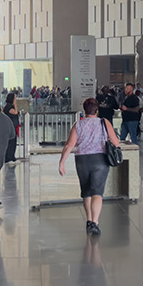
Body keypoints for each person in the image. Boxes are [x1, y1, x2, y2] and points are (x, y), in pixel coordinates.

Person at [57, 98, 122, 235]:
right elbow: (116, 142)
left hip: (82, 160)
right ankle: (95, 223)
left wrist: (62, 162)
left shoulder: (78, 125)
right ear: (97, 110)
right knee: (97, 193)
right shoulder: (104, 122)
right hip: (100, 160)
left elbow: (69, 145)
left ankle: (89, 220)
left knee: (86, 192)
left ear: (84, 110)